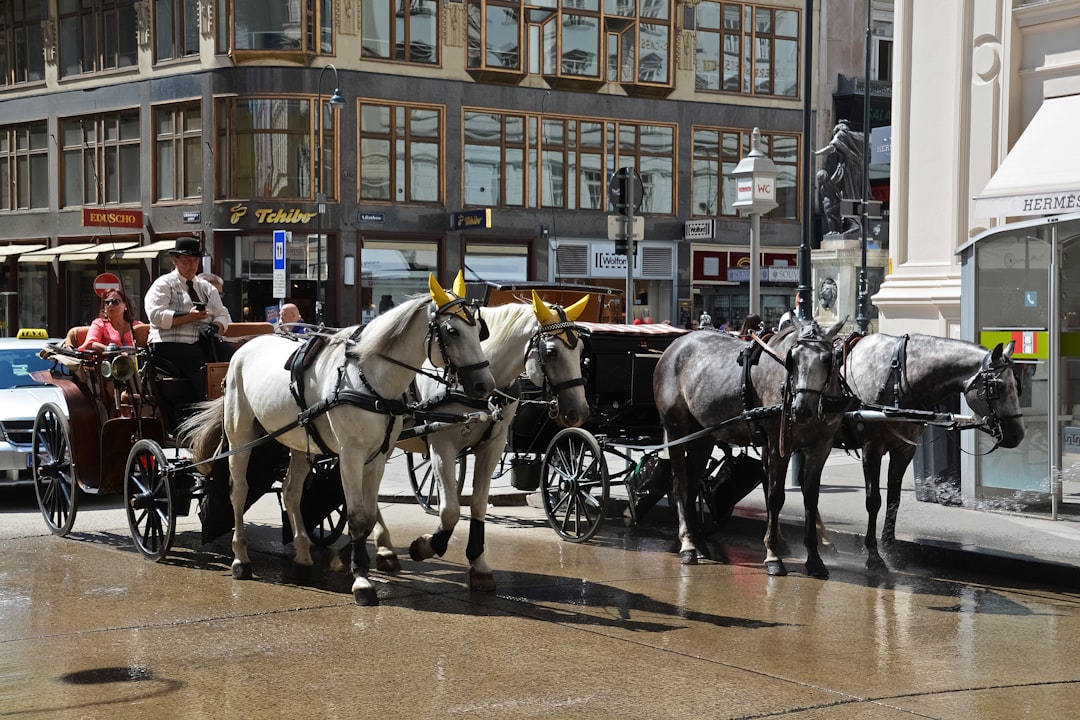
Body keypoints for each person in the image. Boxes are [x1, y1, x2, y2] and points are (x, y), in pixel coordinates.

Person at [144, 237, 233, 399]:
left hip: (202, 341)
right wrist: (188, 317)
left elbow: (222, 314)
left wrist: (215, 326)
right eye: (186, 261)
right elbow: (156, 315)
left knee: (233, 358)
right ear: (175, 261)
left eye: (194, 261)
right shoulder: (163, 284)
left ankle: (233, 403)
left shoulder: (206, 287)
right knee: (198, 365)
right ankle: (207, 406)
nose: (191, 266)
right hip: (169, 343)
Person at [79, 287, 144, 353]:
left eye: (115, 302)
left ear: (125, 305)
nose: (110, 305)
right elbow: (91, 344)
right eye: (107, 302)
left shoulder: (138, 326)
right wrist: (113, 352)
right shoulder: (99, 324)